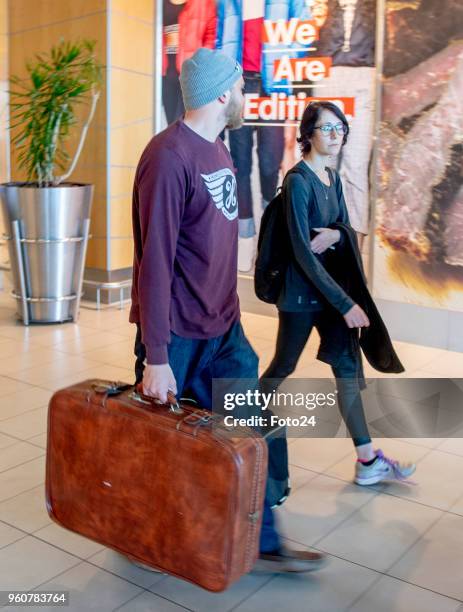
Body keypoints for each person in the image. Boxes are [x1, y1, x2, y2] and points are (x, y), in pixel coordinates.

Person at [130, 47, 326, 573]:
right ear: (221, 92)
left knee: (249, 432)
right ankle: (148, 535)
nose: (244, 94)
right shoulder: (169, 157)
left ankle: (261, 540)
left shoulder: (218, 148)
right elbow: (155, 262)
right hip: (180, 336)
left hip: (223, 329)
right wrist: (156, 356)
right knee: (169, 451)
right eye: (239, 85)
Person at [260, 101, 416, 485]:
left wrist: (335, 234)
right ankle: (244, 415)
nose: (336, 135)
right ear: (308, 134)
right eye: (327, 128)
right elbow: (300, 250)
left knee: (347, 369)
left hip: (330, 294)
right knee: (283, 366)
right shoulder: (298, 181)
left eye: (340, 128)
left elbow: (343, 227)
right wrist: (346, 304)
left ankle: (367, 462)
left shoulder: (333, 177)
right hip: (301, 296)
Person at [216, 0, 311, 272]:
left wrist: (285, 62)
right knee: (239, 165)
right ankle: (245, 238)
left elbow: (304, 32)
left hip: (273, 87)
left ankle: (268, 237)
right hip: (239, 86)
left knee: (271, 164)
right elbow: (222, 38)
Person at [314, 0, 377, 249]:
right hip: (328, 76)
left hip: (364, 77)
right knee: (325, 165)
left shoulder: (375, 6)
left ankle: (355, 249)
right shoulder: (323, 5)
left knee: (356, 166)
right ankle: (321, 245)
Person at [162, 0, 217, 125]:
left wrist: (201, 62)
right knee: (172, 125)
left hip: (190, 72)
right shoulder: (159, 3)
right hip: (165, 72)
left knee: (186, 124)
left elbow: (211, 33)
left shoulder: (203, 3)